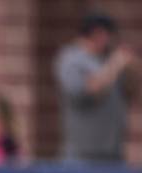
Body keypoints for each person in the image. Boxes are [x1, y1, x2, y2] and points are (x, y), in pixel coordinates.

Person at [55, 11, 137, 164]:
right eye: (102, 33)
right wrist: (116, 65)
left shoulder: (108, 58)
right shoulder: (71, 59)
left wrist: (131, 67)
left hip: (113, 151)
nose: (107, 39)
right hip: (83, 154)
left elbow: (132, 92)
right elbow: (85, 91)